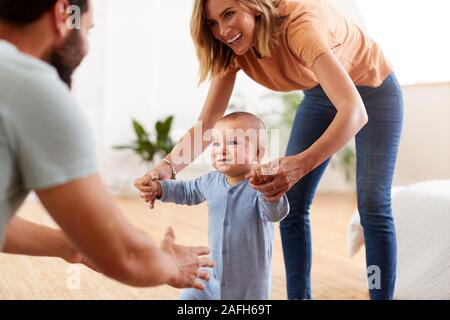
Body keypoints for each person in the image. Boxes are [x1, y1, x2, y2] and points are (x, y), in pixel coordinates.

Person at [135, 0, 404, 299]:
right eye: (212, 23)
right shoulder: (233, 48)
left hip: (374, 92)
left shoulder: (301, 25)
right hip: (319, 94)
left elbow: (354, 111)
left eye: (229, 14)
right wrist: (168, 167)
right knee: (291, 204)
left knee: (372, 203)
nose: (223, 31)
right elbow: (208, 123)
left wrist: (300, 164)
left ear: (253, 7)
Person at [0, 0, 213, 290]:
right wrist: (171, 265)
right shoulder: (33, 87)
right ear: (63, 14)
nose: (86, 47)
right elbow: (125, 256)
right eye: (87, 30)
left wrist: (73, 246)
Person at [136, 112, 289, 299]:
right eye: (216, 143)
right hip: (210, 279)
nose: (221, 150)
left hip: (249, 287)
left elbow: (275, 214)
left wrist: (271, 195)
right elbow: (186, 191)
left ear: (258, 153)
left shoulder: (262, 187)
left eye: (233, 143)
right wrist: (158, 188)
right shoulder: (210, 181)